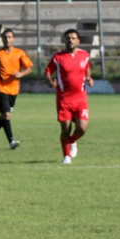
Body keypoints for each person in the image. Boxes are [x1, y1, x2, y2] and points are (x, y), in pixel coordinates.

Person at [44, 29, 94, 164]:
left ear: (78, 41)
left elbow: (87, 67)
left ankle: (72, 141)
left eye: (73, 38)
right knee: (65, 129)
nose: (70, 40)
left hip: (80, 99)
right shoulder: (57, 57)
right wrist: (50, 81)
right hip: (64, 99)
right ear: (64, 40)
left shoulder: (85, 55)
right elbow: (47, 72)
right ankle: (66, 156)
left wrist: (88, 78)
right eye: (68, 38)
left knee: (82, 129)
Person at [0, 28, 33, 150]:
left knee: (4, 117)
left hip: (14, 89)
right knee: (6, 115)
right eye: (5, 37)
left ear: (13, 39)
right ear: (2, 39)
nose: (7, 39)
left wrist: (21, 74)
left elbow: (29, 68)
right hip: (0, 87)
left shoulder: (19, 53)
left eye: (10, 37)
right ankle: (11, 141)